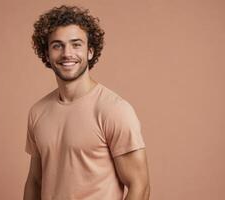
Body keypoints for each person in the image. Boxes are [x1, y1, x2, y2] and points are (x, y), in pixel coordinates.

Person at [23, 5, 150, 200]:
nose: (67, 53)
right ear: (47, 54)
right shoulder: (38, 112)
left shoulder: (114, 110)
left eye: (76, 44)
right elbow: (35, 180)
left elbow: (139, 186)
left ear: (90, 52)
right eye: (57, 45)